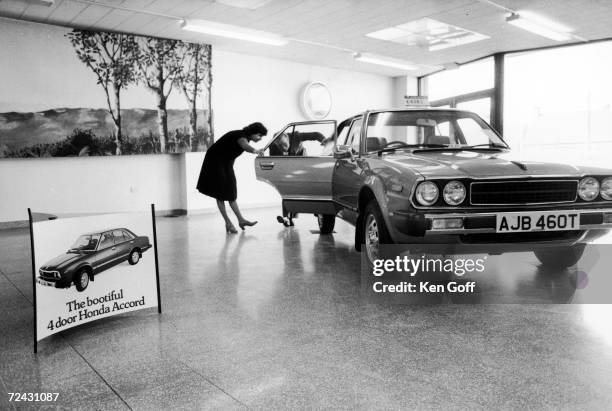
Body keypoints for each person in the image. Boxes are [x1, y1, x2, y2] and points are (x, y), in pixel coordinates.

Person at [196, 122, 267, 233]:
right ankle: (228, 222)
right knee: (220, 193)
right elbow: (245, 146)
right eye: (259, 135)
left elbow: (232, 154)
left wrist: (229, 170)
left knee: (231, 190)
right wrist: (255, 151)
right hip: (214, 161)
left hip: (225, 163)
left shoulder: (244, 137)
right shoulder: (240, 135)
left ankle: (241, 219)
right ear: (253, 133)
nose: (260, 138)